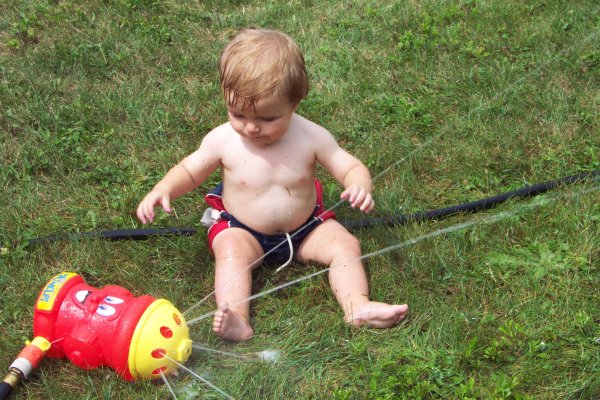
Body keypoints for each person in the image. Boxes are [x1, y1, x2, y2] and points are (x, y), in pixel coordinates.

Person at [137, 28, 408, 341]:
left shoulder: (311, 137)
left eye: (267, 119)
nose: (251, 127)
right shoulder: (224, 139)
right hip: (243, 229)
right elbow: (190, 170)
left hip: (305, 229)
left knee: (345, 244)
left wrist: (359, 184)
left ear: (295, 102)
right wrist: (164, 189)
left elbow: (349, 165)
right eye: (237, 113)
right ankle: (236, 319)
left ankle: (356, 305)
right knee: (231, 253)